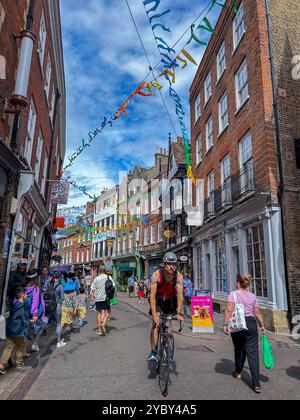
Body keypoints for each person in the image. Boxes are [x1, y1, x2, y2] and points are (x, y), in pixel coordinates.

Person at [224, 273, 267, 394]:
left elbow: (229, 310)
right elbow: (257, 313)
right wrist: (262, 326)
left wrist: (225, 324)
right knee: (253, 353)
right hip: (252, 323)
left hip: (239, 324)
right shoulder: (253, 296)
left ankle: (237, 372)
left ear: (238, 282)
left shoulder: (233, 295)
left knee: (239, 349)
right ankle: (257, 384)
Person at [148, 252, 184, 362]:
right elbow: (152, 296)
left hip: (170, 300)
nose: (171, 266)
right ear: (164, 264)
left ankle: (167, 348)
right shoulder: (156, 275)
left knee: (168, 325)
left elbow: (179, 295)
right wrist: (154, 314)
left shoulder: (178, 276)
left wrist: (178, 313)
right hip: (157, 300)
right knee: (156, 325)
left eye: (173, 264)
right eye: (168, 264)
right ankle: (153, 351)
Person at [0, 288, 29, 374]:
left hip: (10, 328)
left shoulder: (14, 304)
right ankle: (19, 362)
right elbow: (24, 319)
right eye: (26, 294)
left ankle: (1, 365)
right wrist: (26, 330)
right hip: (18, 330)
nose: (27, 295)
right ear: (22, 295)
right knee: (21, 345)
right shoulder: (23, 305)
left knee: (9, 347)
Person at [24, 271, 47, 353]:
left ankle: (21, 350)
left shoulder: (23, 287)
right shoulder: (35, 288)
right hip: (35, 312)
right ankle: (34, 344)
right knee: (42, 325)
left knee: (25, 330)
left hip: (25, 311)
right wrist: (35, 314)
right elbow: (35, 301)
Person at [90, 266, 115, 337]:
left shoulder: (96, 278)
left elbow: (93, 290)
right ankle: (103, 325)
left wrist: (91, 299)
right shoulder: (109, 277)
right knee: (107, 313)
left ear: (99, 270)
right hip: (106, 298)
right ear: (105, 270)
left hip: (98, 298)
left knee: (99, 313)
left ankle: (99, 330)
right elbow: (113, 286)